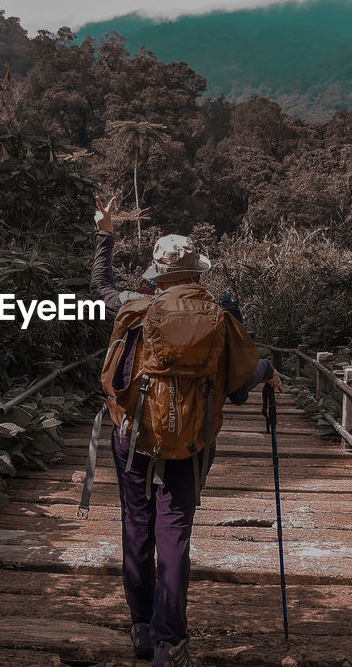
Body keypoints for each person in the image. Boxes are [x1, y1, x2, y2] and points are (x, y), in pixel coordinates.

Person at [90, 196, 281, 667]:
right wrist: (267, 370)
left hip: (133, 433)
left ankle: (140, 627)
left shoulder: (135, 306)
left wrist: (105, 232)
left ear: (157, 272)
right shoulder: (218, 316)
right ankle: (168, 644)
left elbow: (99, 288)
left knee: (138, 523)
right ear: (197, 271)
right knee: (174, 532)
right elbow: (238, 386)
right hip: (192, 441)